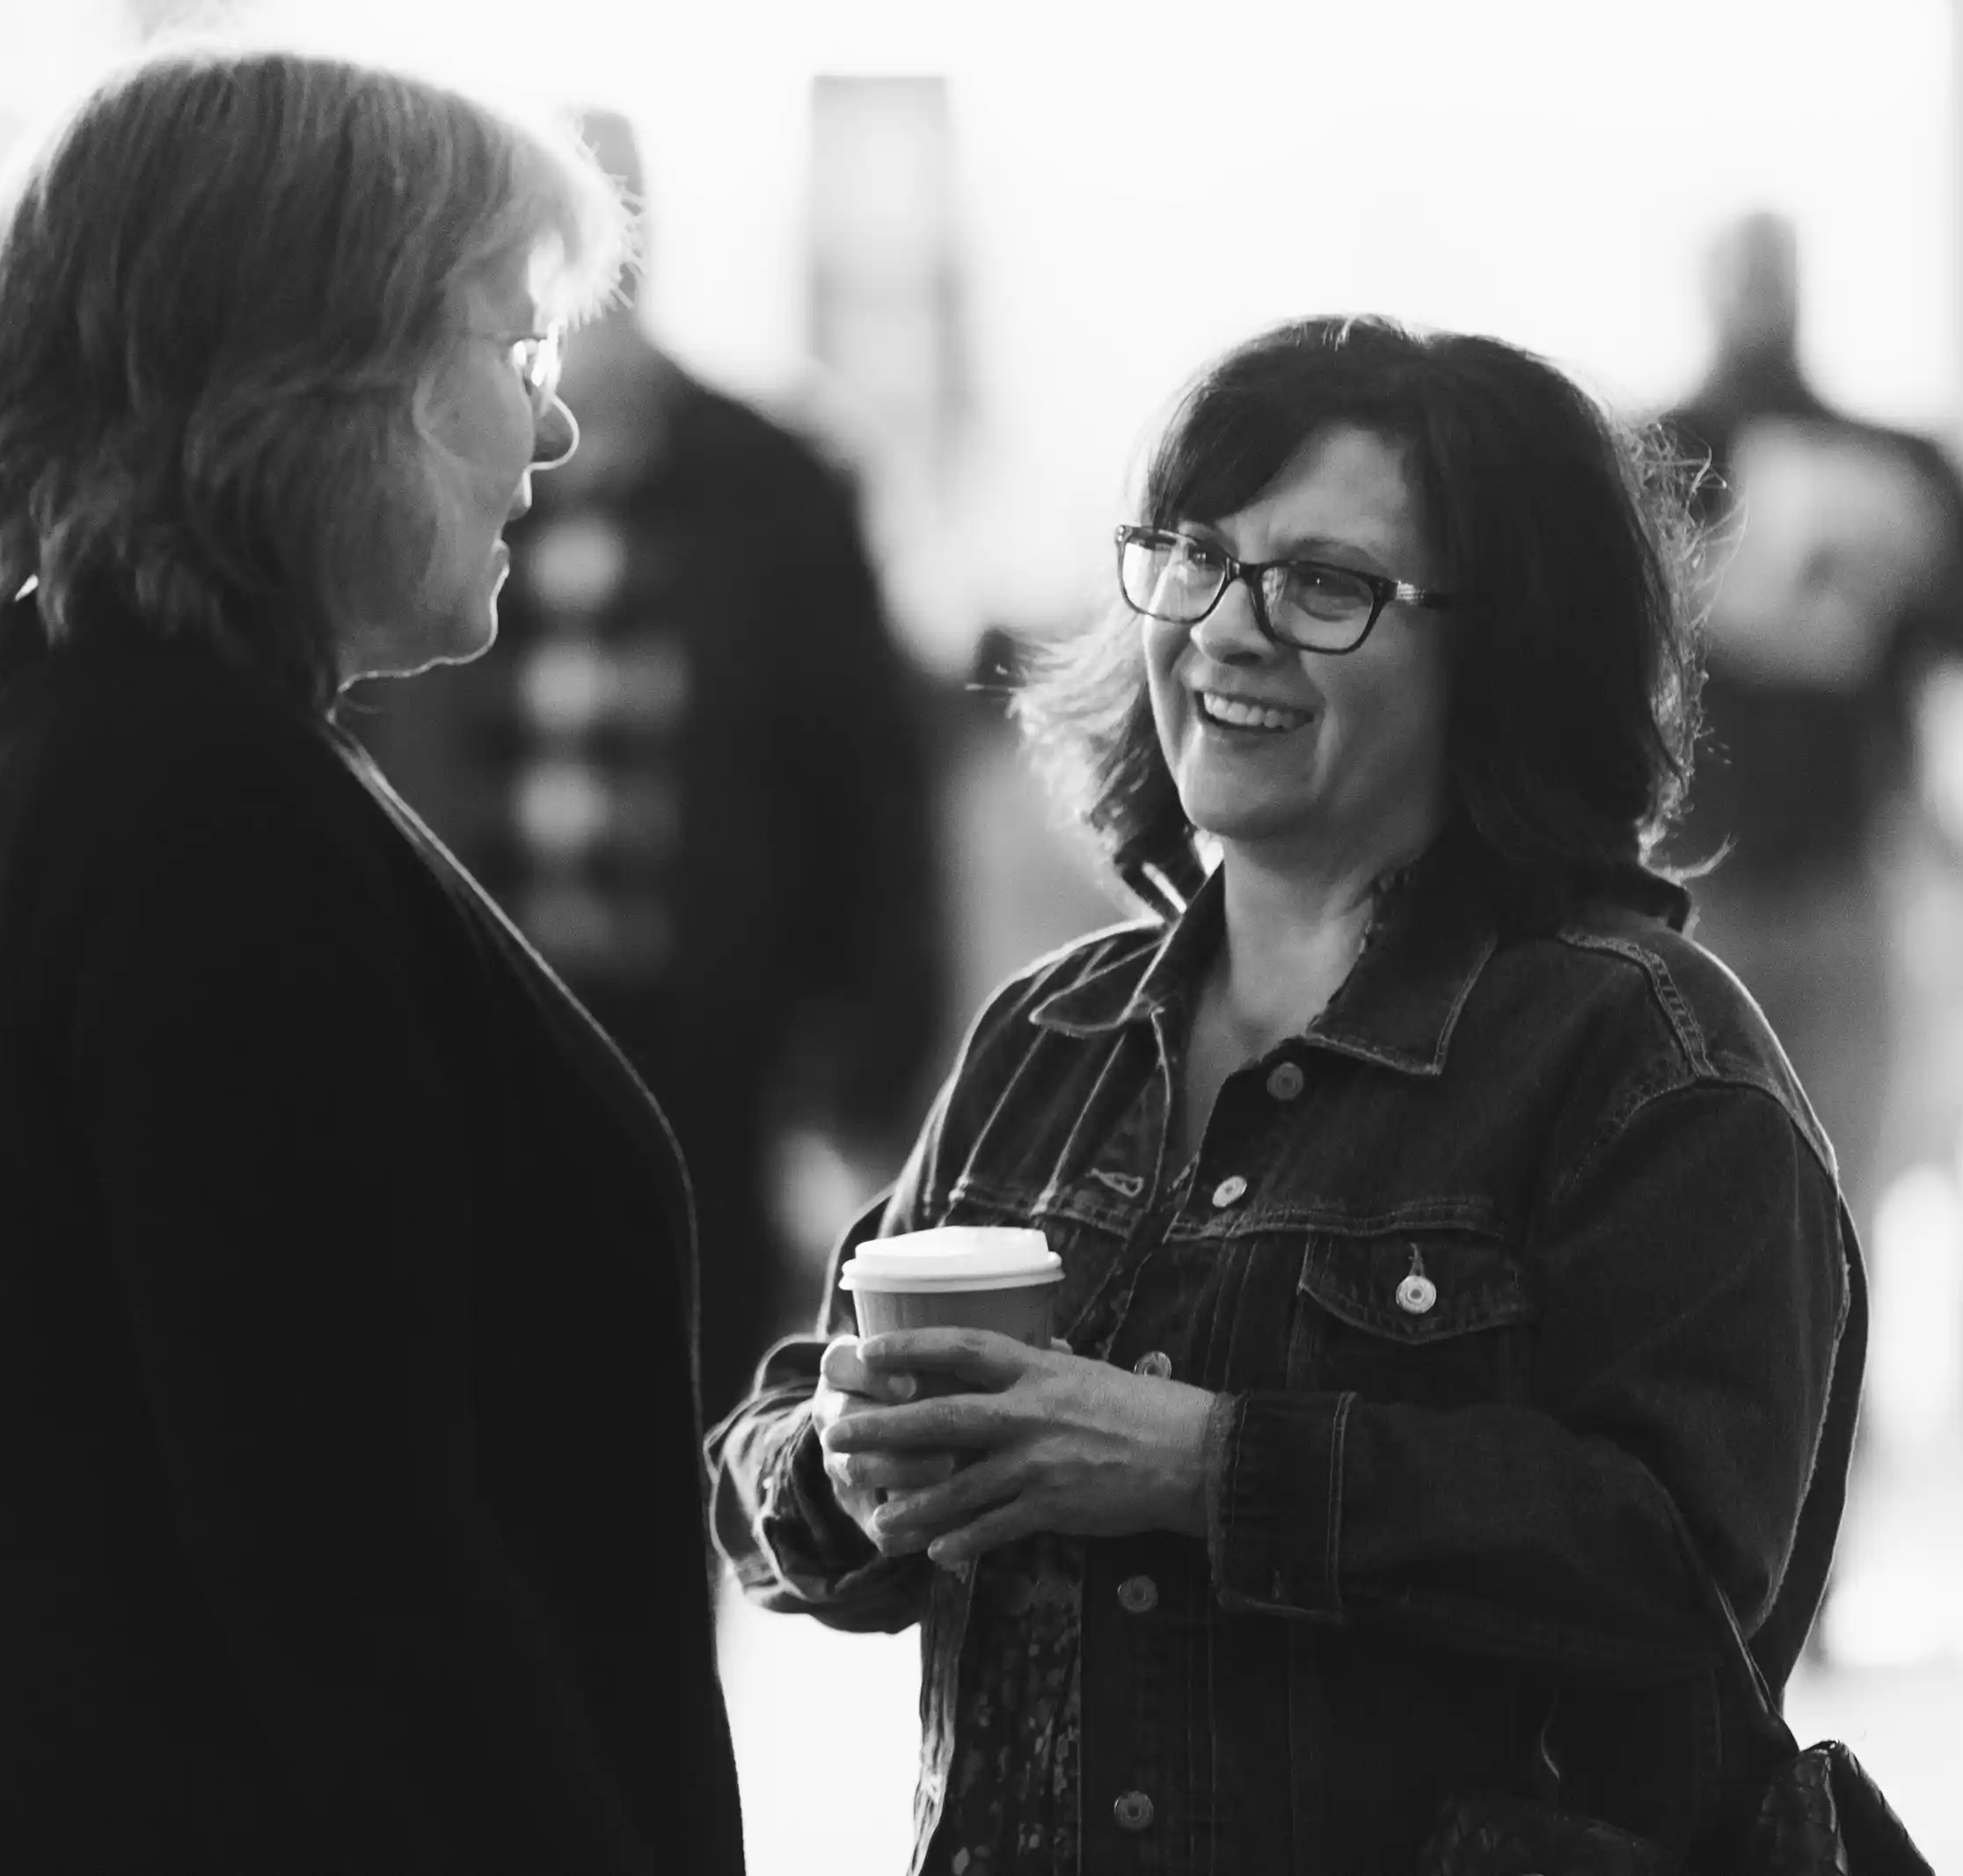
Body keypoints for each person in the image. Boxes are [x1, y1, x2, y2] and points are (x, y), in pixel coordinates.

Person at [711, 315, 1858, 1873]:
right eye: (1194, 556)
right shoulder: (1046, 1040)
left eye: (1325, 585)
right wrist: (840, 1469)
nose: (1226, 629)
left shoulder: (1646, 1056)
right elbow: (772, 1437)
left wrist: (1203, 1463)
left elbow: (1682, 1576)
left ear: (1505, 647)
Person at [0, 45, 741, 1874]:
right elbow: (357, 1579)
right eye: (510, 348)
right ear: (320, 378)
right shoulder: (202, 824)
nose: (551, 429)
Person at [342, 108, 947, 1427]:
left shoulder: (780, 482)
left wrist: (870, 1065)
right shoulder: (411, 469)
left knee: (676, 1422)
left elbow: (872, 790)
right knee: (461, 1416)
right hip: (454, 1030)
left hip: (699, 1055)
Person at [1656, 209, 1963, 1236]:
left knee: (1835, 1196)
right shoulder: (1658, 459)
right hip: (1687, 886)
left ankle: (1838, 1403)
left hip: (1844, 874)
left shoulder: (1889, 464)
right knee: (1685, 1200)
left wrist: (1903, 557)